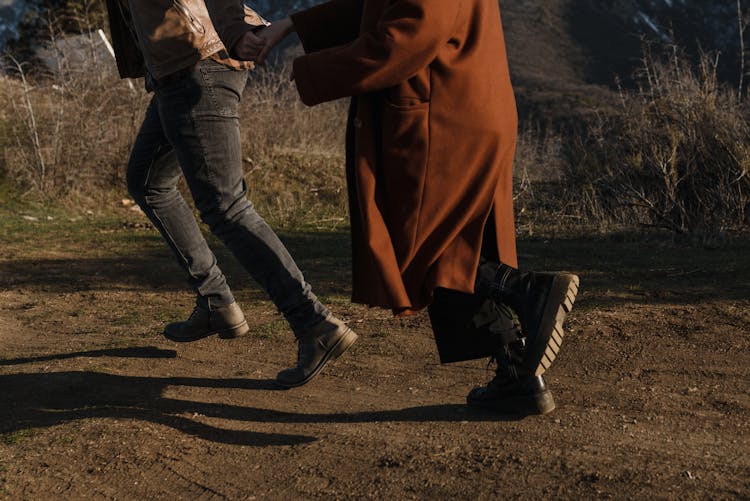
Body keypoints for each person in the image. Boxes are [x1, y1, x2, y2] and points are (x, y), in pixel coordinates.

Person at [237, 0, 580, 414]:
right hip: (460, 105)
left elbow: (407, 35)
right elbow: (376, 9)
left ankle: (528, 291)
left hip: (443, 118)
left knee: (420, 242)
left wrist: (312, 71)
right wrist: (289, 25)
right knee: (462, 237)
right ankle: (516, 378)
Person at [103, 0, 357, 388]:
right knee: (148, 181)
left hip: (198, 62)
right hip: (178, 66)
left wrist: (235, 31)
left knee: (226, 205)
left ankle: (313, 322)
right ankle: (216, 302)